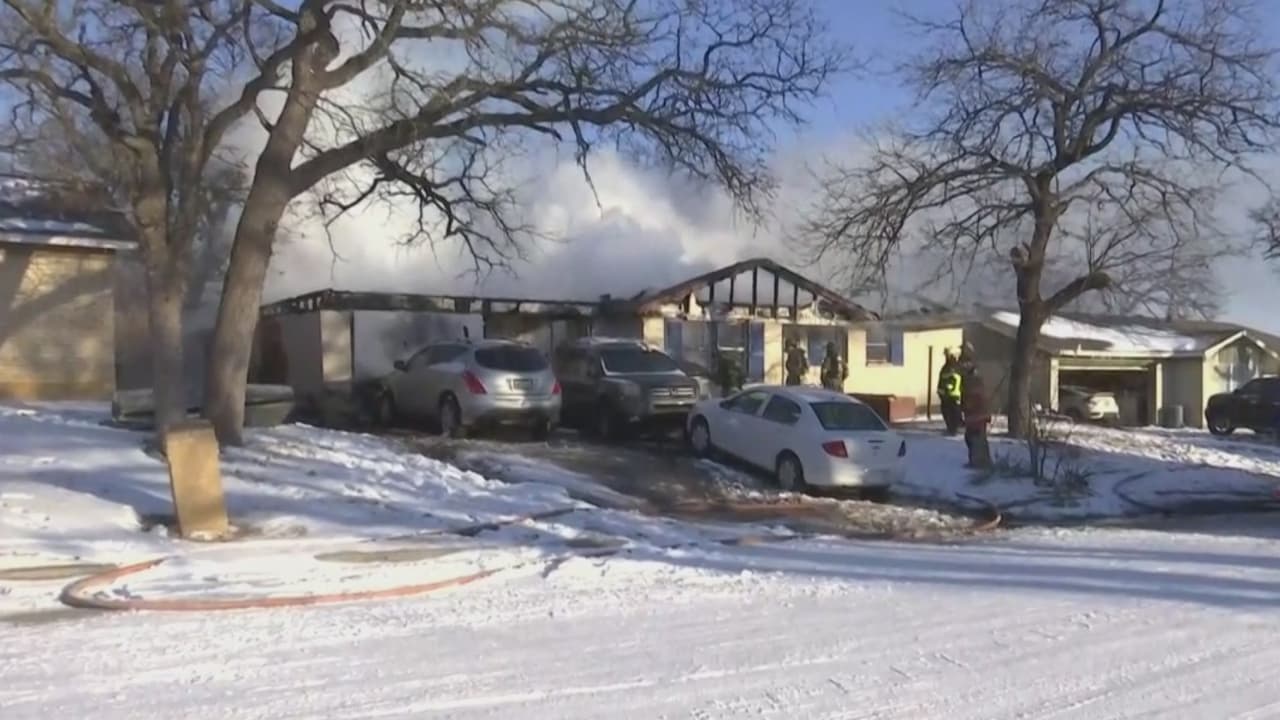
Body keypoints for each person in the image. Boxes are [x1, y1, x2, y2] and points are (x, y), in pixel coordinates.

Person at [958, 344, 992, 469]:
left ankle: (980, 462)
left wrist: (967, 404)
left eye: (963, 364)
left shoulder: (973, 377)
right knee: (971, 437)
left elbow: (976, 394)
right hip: (972, 413)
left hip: (977, 412)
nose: (961, 366)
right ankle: (976, 460)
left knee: (975, 437)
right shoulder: (967, 377)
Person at [936, 349, 963, 436]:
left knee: (952, 412)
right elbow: (942, 379)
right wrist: (940, 390)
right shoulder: (946, 367)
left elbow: (954, 378)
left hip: (953, 395)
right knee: (947, 412)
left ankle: (953, 429)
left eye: (947, 355)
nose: (946, 357)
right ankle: (951, 428)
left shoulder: (955, 367)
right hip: (947, 395)